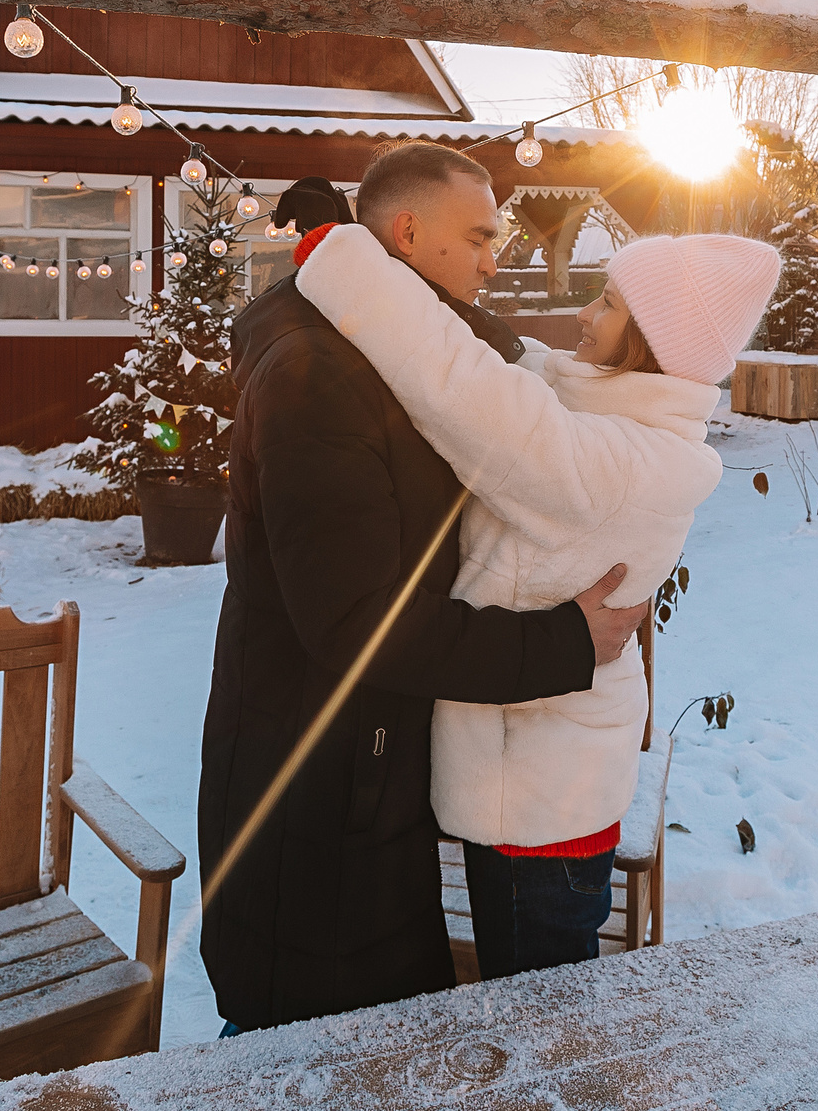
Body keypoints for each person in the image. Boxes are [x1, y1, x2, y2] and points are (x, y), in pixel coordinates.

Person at [198, 144, 649, 1031]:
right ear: (406, 233)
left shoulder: (392, 348)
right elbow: (358, 624)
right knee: (300, 1048)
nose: (495, 259)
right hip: (310, 799)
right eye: (479, 236)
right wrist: (564, 642)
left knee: (382, 1034)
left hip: (369, 776)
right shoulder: (316, 372)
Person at [296, 219, 780, 980]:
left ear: (652, 342)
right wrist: (426, 277)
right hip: (537, 778)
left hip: (540, 809)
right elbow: (524, 359)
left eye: (610, 303)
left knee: (543, 1025)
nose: (584, 316)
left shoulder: (623, 460)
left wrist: (348, 264)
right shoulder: (615, 416)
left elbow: (470, 391)